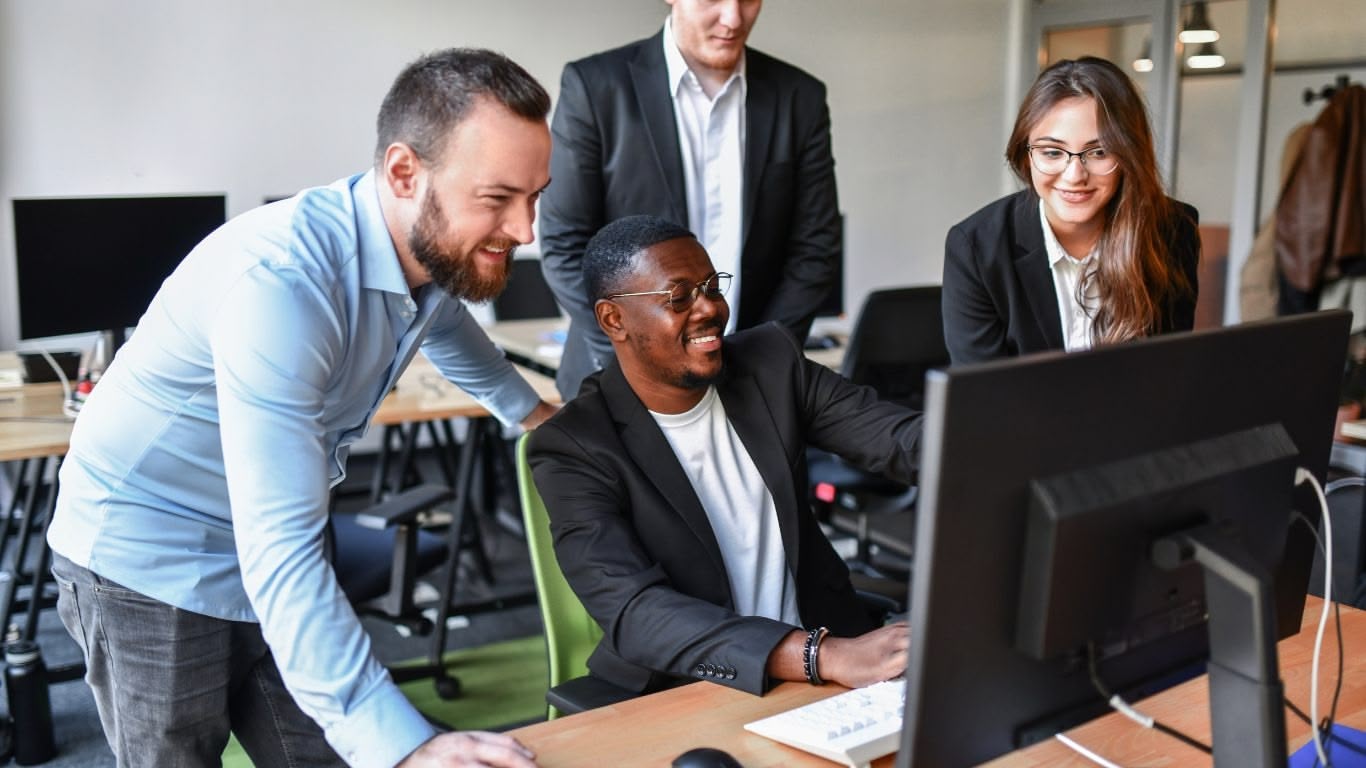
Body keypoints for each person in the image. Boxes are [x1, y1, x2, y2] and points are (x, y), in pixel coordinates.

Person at [47, 49, 554, 768]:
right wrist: (406, 747)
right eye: (498, 198)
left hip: (270, 541)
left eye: (534, 197)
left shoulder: (424, 255)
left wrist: (535, 416)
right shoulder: (283, 283)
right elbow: (279, 548)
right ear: (404, 173)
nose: (526, 230)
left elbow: (450, 331)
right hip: (149, 551)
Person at [528, 215, 915, 698]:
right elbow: (635, 611)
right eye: (679, 297)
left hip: (832, 662)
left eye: (712, 287)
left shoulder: (771, 363)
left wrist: (986, 440)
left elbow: (899, 440)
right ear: (614, 319)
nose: (710, 308)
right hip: (691, 685)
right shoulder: (574, 445)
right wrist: (820, 654)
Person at [538, 0, 842, 400]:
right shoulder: (595, 87)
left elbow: (816, 249)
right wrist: (637, 363)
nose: (733, 18)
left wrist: (762, 359)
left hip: (753, 384)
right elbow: (564, 244)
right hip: (617, 380)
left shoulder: (799, 96)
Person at [942, 56, 1200, 364]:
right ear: (1025, 155)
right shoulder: (976, 248)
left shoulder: (1171, 230)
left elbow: (1167, 370)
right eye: (1052, 152)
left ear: (1129, 156)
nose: (1075, 175)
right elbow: (981, 388)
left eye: (1099, 152)